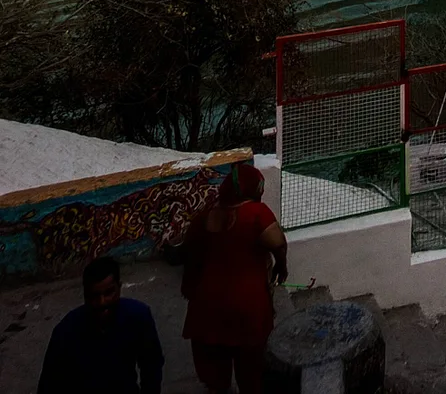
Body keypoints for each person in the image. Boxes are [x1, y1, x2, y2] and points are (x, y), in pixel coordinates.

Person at [182, 162, 286, 393]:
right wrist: (281, 266)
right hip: (246, 312)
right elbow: (277, 242)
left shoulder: (202, 218)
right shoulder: (255, 213)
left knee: (216, 383)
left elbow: (189, 258)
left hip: (205, 311)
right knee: (251, 379)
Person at [38, 255, 164, 393]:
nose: (102, 302)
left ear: (119, 288)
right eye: (94, 296)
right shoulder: (66, 332)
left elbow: (152, 366)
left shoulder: (138, 317)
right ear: (85, 296)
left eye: (109, 293)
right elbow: (49, 385)